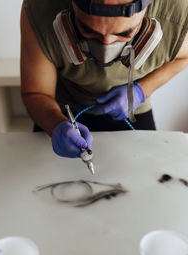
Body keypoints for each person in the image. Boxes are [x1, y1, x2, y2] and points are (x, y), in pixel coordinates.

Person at [20, 0, 188, 159]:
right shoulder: (39, 9)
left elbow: (184, 57)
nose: (106, 47)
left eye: (124, 33)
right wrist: (55, 124)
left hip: (132, 111)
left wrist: (140, 91)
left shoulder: (177, 13)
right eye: (89, 30)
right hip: (62, 108)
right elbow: (35, 92)